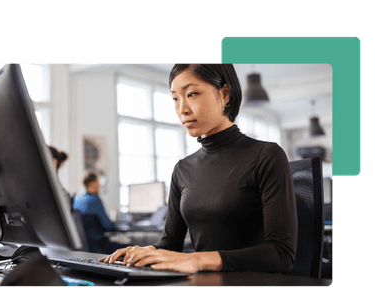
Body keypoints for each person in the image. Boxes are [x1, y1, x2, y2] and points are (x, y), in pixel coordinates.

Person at [100, 63, 298, 274]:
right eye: (175, 98)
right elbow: (171, 243)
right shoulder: (182, 169)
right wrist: (146, 252)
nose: (182, 109)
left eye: (192, 94)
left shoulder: (266, 156)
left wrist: (199, 260)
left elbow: (282, 255)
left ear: (224, 94)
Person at [73, 172, 118, 253]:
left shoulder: (75, 200)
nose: (100, 185)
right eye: (98, 182)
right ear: (93, 183)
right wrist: (115, 222)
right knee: (130, 247)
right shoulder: (95, 200)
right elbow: (108, 225)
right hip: (98, 246)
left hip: (81, 247)